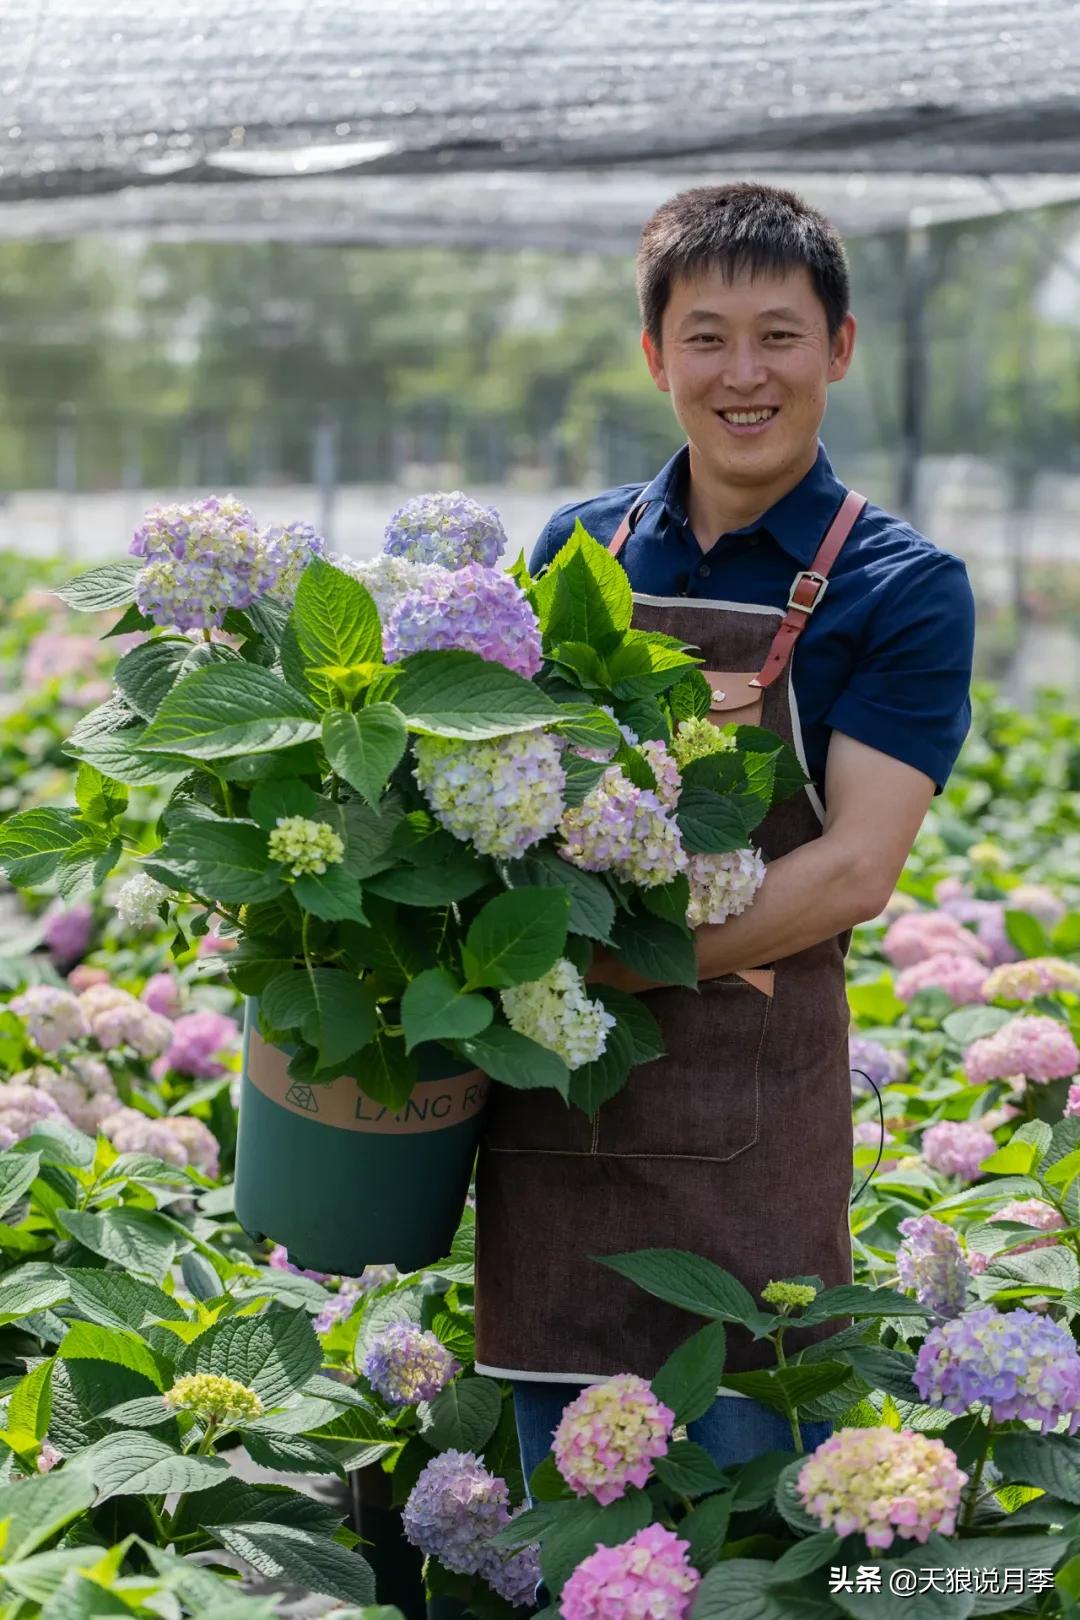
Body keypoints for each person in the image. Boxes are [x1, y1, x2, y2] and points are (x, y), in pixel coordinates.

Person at [472, 182, 976, 1487]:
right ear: (655, 357)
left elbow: (855, 869)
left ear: (839, 349)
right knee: (566, 1528)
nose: (741, 374)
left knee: (745, 1505)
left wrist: (608, 970)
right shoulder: (578, 549)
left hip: (748, 1142)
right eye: (705, 336)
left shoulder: (897, 587)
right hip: (562, 1135)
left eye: (778, 335)